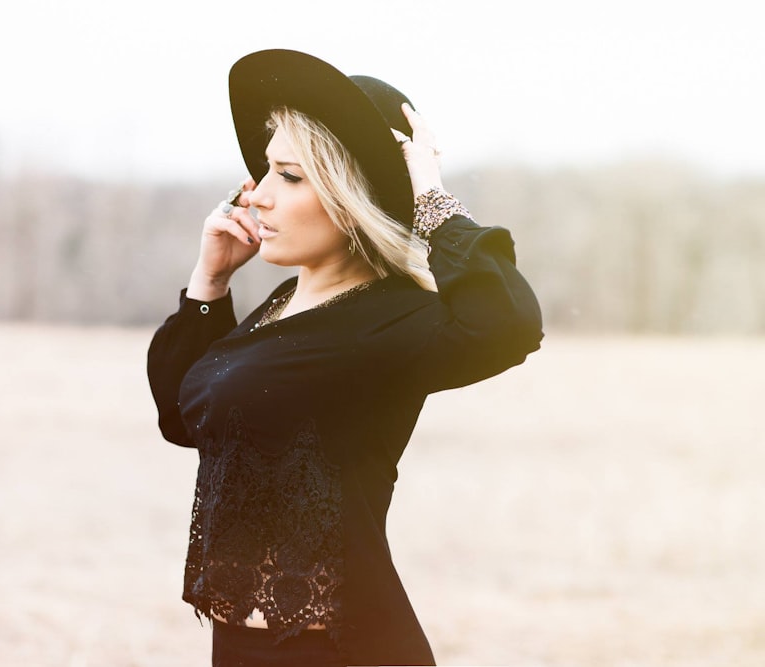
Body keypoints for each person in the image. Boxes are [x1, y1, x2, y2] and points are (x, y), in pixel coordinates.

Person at [147, 49, 543, 667]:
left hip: (340, 650)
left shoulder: (389, 317)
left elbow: (507, 323)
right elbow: (181, 417)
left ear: (348, 194)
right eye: (265, 173)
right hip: (242, 650)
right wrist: (210, 284)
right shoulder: (279, 306)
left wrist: (429, 197)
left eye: (291, 176)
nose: (260, 197)